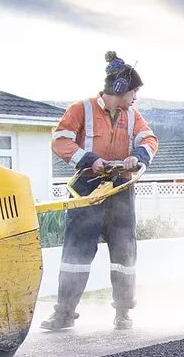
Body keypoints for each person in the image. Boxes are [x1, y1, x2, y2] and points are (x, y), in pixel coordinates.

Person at [41, 51, 158, 331]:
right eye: (134, 92)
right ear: (119, 89)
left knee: (124, 253)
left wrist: (137, 156)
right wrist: (91, 160)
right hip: (87, 190)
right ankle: (64, 314)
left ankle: (123, 313)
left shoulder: (133, 116)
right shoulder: (80, 109)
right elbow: (60, 141)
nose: (136, 98)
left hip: (120, 188)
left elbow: (150, 139)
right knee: (76, 254)